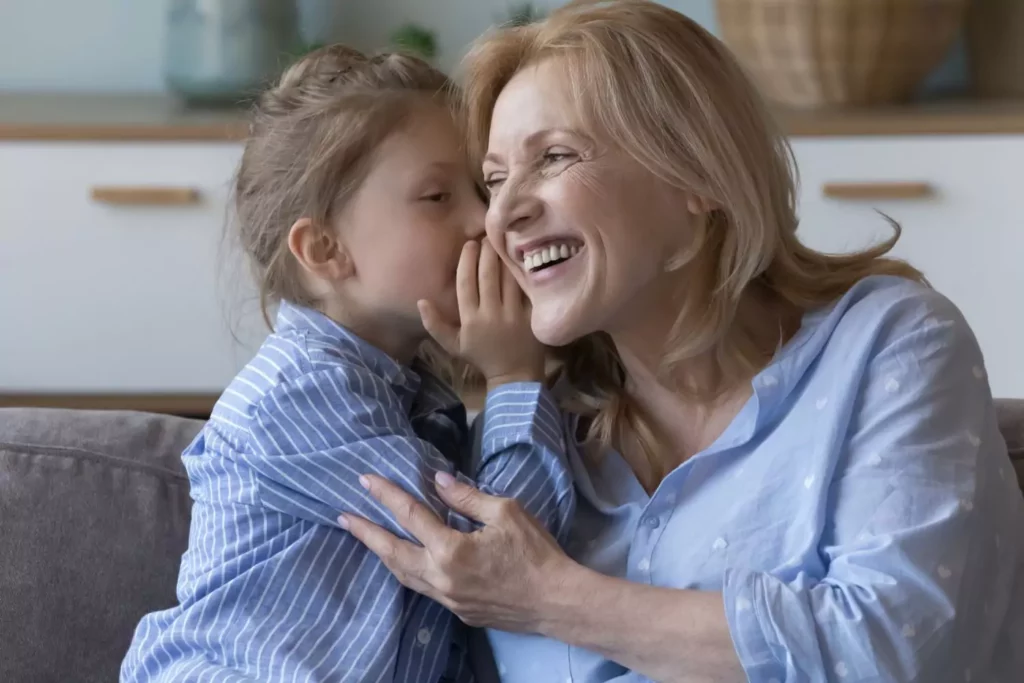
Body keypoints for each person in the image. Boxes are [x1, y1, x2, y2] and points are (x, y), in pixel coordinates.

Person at [339, 2, 1024, 681]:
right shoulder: (534, 434)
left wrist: (550, 598)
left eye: (553, 156)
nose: (505, 213)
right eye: (493, 180)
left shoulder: (891, 345)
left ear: (694, 174)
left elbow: (886, 651)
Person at [120, 46, 575, 683]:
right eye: (439, 195)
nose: (485, 219)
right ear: (325, 249)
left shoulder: (410, 398)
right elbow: (491, 561)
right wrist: (515, 378)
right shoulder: (301, 392)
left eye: (482, 188)